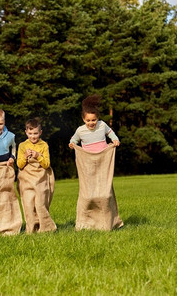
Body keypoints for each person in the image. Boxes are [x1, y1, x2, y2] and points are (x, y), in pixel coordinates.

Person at [69, 95, 124, 231]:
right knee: (89, 193)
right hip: (88, 162)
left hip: (103, 161)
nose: (91, 123)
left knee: (105, 192)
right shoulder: (80, 130)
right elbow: (74, 140)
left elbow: (111, 134)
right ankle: (86, 223)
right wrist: (72, 144)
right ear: (83, 119)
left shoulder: (102, 126)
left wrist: (115, 140)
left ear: (97, 119)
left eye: (94, 120)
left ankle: (109, 221)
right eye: (88, 120)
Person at [17, 118, 56, 233]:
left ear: (40, 133)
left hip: (40, 179)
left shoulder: (44, 145)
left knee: (40, 204)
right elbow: (19, 165)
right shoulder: (22, 146)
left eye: (35, 133)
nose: (33, 136)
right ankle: (31, 228)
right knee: (28, 204)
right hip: (27, 179)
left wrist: (38, 156)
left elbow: (46, 164)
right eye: (30, 133)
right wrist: (25, 156)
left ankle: (45, 227)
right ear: (26, 132)